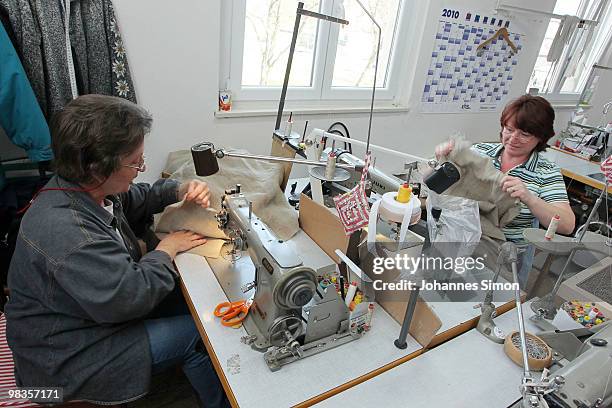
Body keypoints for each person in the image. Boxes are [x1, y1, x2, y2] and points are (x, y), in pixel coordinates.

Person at [5, 94, 228, 407]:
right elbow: (130, 298)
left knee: (186, 301)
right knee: (200, 335)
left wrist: (178, 190)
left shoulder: (81, 187)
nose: (141, 167)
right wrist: (166, 249)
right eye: (135, 161)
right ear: (98, 169)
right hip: (63, 362)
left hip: (79, 323)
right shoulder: (70, 234)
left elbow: (133, 198)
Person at [435, 95, 575, 284]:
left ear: (541, 137)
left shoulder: (546, 173)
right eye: (509, 129)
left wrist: (529, 198)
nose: (513, 139)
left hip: (505, 257)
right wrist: (443, 160)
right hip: (461, 241)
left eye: (525, 134)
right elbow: (440, 187)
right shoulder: (480, 153)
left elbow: (567, 225)